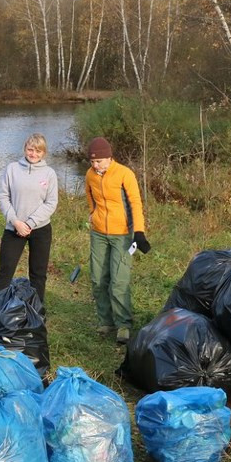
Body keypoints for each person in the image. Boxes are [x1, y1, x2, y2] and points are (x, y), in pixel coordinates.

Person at [84, 136, 150, 344]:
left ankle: (123, 324)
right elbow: (90, 198)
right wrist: (93, 215)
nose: (96, 165)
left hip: (122, 234)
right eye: (93, 162)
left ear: (109, 157)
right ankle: (106, 321)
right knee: (98, 278)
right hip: (98, 234)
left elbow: (136, 204)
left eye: (100, 161)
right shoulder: (90, 175)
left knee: (119, 281)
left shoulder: (124, 174)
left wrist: (138, 233)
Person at [0, 133, 59, 302]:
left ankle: (37, 311)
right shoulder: (12, 169)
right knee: (5, 271)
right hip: (14, 228)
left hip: (40, 229)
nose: (33, 154)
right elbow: (3, 197)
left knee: (38, 273)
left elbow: (51, 203)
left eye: (38, 151)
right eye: (30, 149)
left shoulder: (49, 173)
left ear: (44, 153)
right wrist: (16, 222)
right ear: (24, 149)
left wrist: (29, 223)